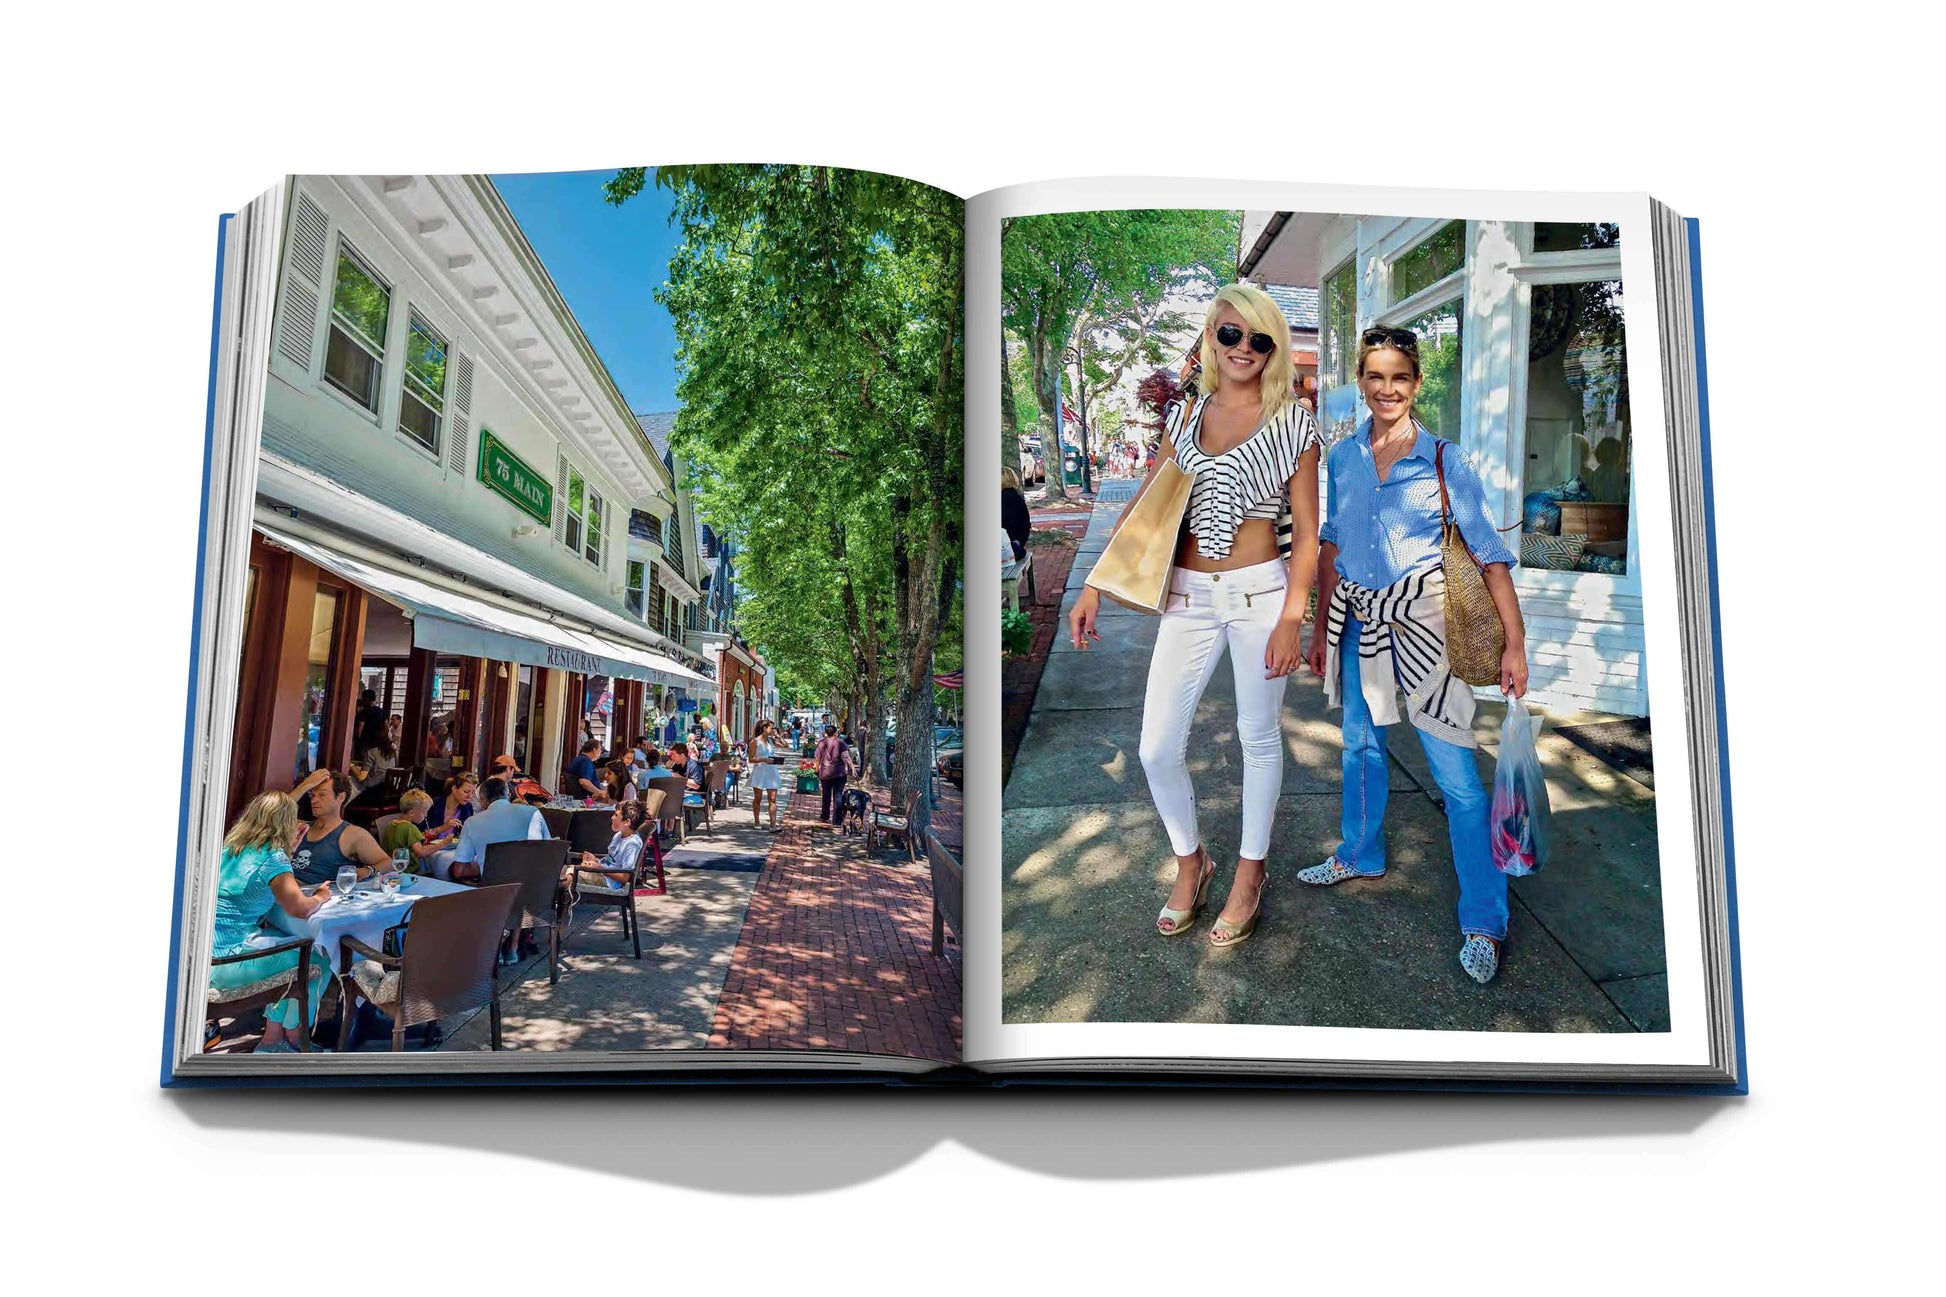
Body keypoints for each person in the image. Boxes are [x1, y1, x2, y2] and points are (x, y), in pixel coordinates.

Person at [1068, 283, 1321, 948]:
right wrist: (1094, 583)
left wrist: (1295, 615)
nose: (1244, 348)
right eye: (1230, 334)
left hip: (1261, 596)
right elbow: (1149, 502)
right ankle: (1192, 861)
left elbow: (1308, 531)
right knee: (1156, 747)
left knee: (1258, 737)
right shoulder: (1187, 416)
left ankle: (1249, 870)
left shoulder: (1295, 422)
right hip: (1187, 598)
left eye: (1259, 339)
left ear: (1275, 347)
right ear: (1211, 338)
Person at [1299, 326, 1527, 985]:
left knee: (1455, 776)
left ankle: (1484, 918)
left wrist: (1513, 642)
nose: (1386, 387)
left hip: (1425, 625)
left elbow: (1488, 553)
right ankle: (1359, 852)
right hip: (1359, 622)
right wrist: (1321, 627)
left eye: (1399, 376)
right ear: (1362, 381)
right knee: (1360, 747)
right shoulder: (1342, 458)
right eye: (1374, 375)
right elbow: (1333, 545)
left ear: (1416, 383)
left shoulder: (1443, 460)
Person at [208, 791, 337, 1053]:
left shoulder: (228, 849)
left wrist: (290, 849)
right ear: (286, 822)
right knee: (319, 961)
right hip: (226, 963)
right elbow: (298, 907)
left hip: (206, 956)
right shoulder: (272, 857)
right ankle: (293, 1038)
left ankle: (272, 1039)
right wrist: (321, 897)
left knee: (293, 950)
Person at [289, 768, 390, 886]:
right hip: (279, 889)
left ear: (340, 797)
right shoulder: (300, 827)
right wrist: (305, 785)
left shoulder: (353, 834)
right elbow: (271, 815)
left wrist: (369, 870)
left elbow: (388, 863)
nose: (314, 800)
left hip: (311, 895)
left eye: (322, 795)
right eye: (312, 795)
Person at [446, 775, 548, 884]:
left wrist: (485, 866)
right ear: (508, 796)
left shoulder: (472, 822)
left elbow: (459, 871)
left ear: (482, 800)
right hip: (534, 887)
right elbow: (550, 851)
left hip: (495, 893)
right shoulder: (533, 812)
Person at [573, 801, 648, 893]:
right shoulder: (618, 836)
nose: (612, 817)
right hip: (602, 873)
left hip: (609, 882)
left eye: (616, 815)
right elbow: (612, 858)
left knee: (567, 878)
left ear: (627, 822)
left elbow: (625, 877)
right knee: (563, 870)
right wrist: (596, 860)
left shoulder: (632, 844)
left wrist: (600, 868)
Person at [377, 788, 443, 873]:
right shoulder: (410, 828)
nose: (426, 815)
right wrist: (442, 845)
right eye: (424, 812)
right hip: (408, 870)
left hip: (389, 868)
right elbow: (421, 852)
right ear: (412, 812)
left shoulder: (391, 824)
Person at [748, 719, 783, 831]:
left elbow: (785, 745)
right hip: (760, 771)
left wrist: (778, 736)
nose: (773, 730)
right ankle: (757, 821)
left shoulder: (771, 741)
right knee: (758, 798)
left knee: (772, 799)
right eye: (771, 728)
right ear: (764, 728)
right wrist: (762, 759)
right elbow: (751, 759)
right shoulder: (755, 741)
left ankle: (773, 824)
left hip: (772, 772)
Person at [814, 724, 849, 828]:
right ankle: (837, 820)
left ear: (826, 733)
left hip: (825, 773)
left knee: (826, 795)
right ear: (835, 732)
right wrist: (851, 767)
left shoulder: (821, 743)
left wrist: (817, 769)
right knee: (838, 796)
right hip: (839, 773)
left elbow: (817, 758)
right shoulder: (841, 742)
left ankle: (825, 816)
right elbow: (846, 756)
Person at [1002, 465, 1031, 561]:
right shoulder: (1014, 495)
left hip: (1011, 547)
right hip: (1017, 544)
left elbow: (1006, 525)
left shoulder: (1006, 498)